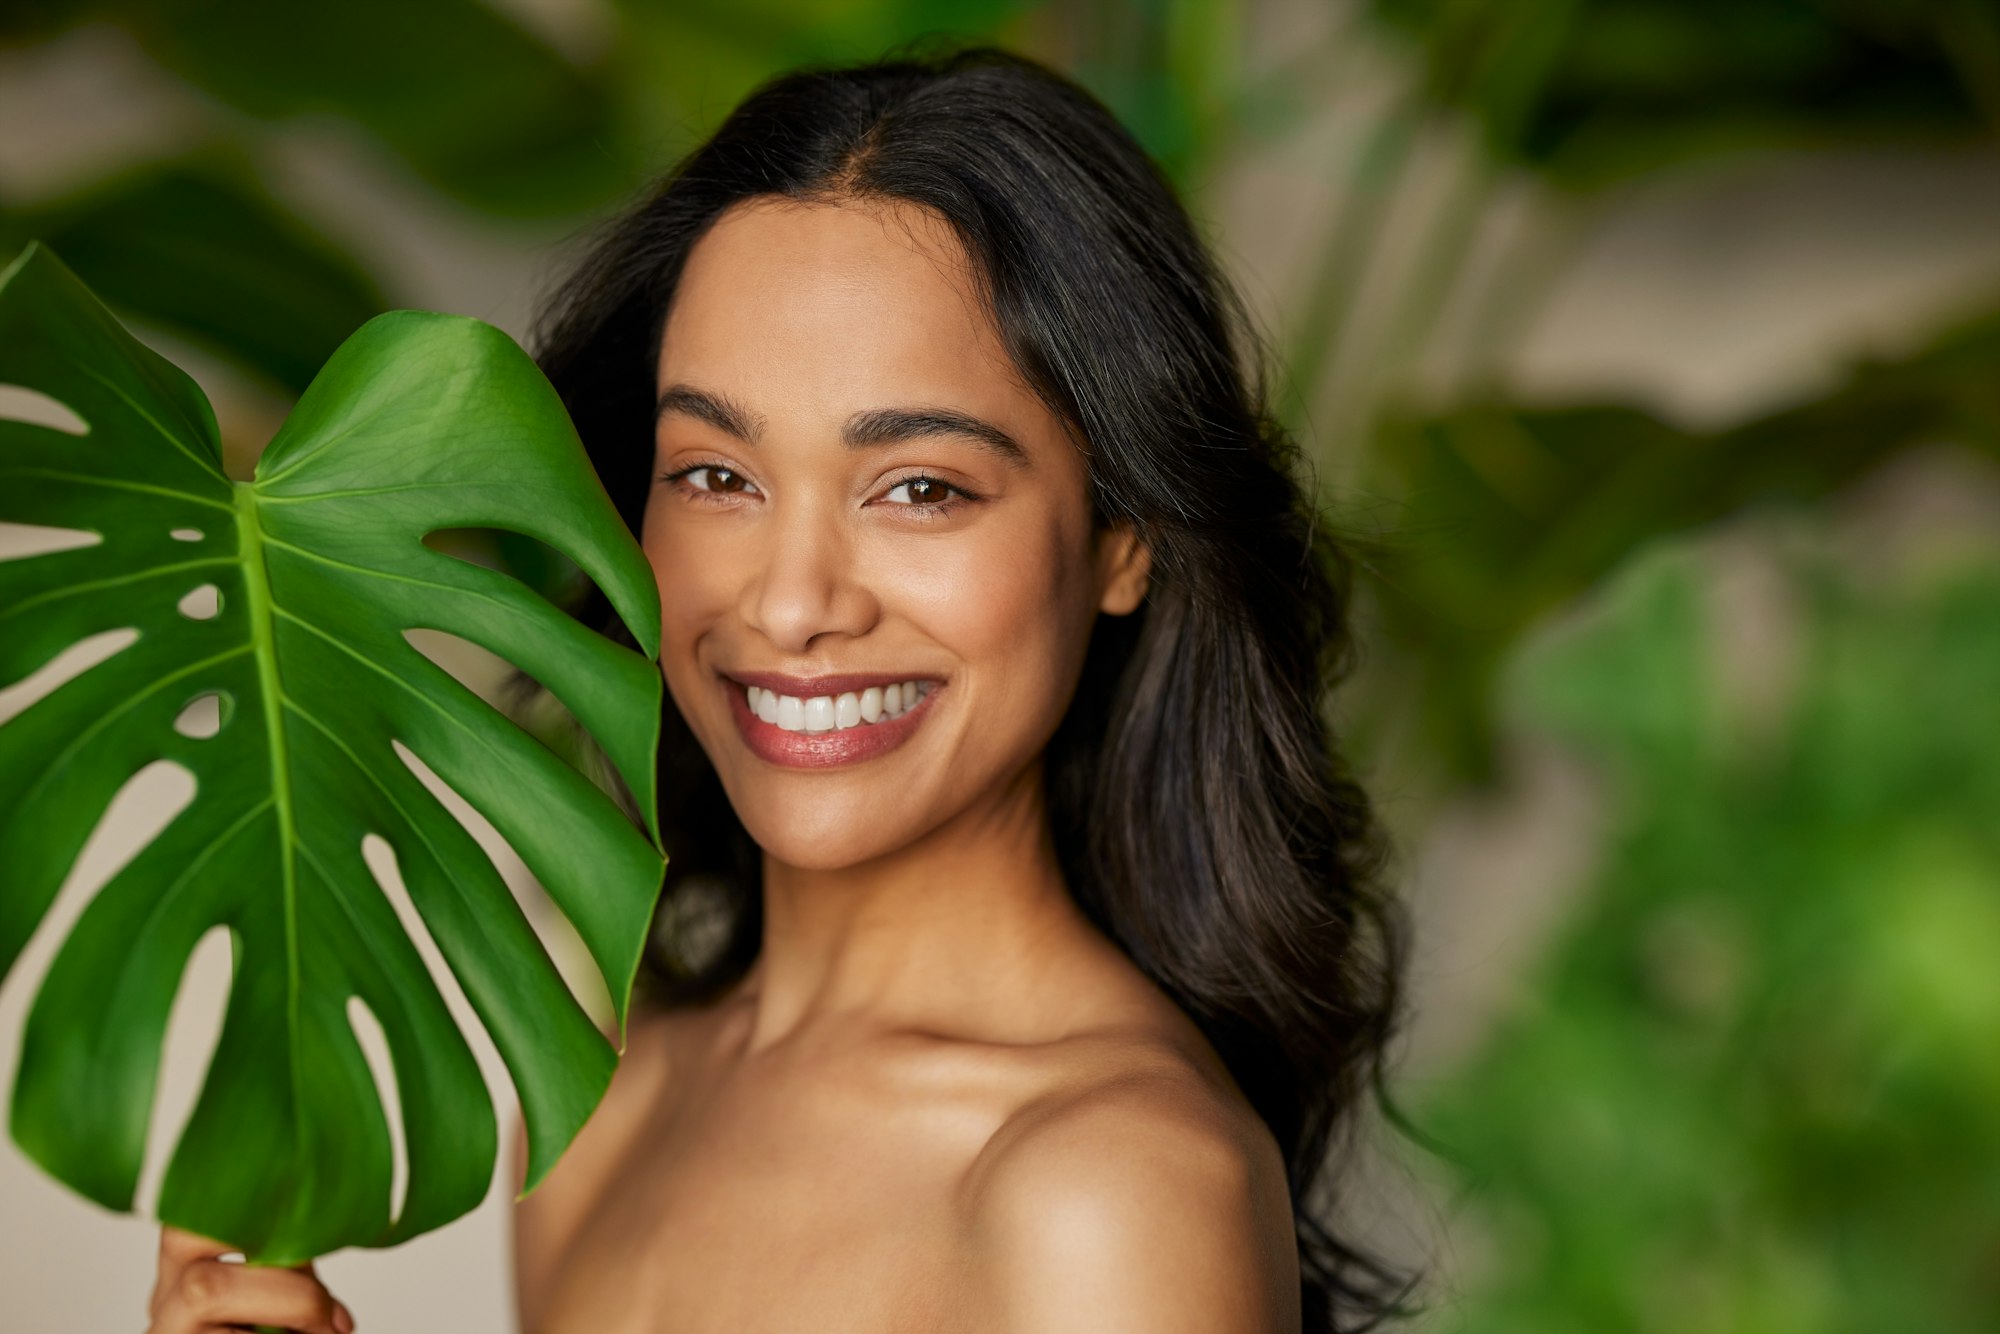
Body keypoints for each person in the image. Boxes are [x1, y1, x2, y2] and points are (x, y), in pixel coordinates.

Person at [145, 42, 1411, 1334]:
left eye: (921, 487)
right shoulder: (611, 1095)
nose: (792, 602)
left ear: (1123, 537)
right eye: (716, 475)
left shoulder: (1107, 1188)